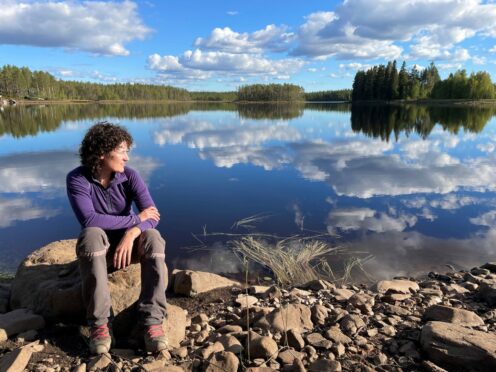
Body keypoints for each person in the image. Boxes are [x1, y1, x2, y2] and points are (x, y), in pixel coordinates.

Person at [66, 122, 168, 354]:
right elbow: (90, 220)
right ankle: (100, 324)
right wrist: (134, 220)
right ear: (102, 153)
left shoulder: (130, 176)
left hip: (128, 248)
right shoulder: (77, 179)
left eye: (127, 151)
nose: (127, 158)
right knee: (91, 235)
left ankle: (152, 321)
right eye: (122, 151)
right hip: (100, 250)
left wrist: (132, 234)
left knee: (153, 236)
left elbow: (152, 216)